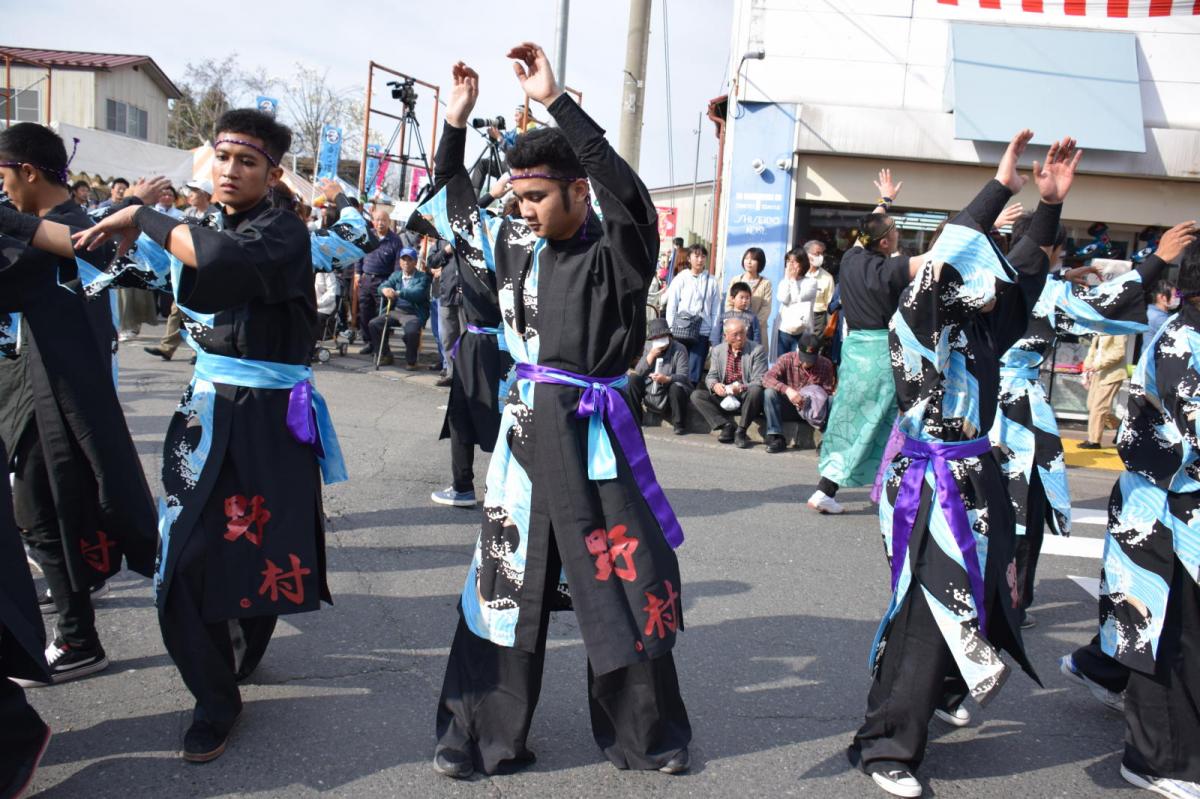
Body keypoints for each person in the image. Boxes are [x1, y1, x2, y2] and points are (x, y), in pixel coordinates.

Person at [430, 50, 690, 780]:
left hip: (595, 437)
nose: (523, 210)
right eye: (516, 199)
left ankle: (648, 734)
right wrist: (452, 124)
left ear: (577, 190)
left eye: (537, 197)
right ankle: (477, 731)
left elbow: (630, 197)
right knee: (504, 580)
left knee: (628, 582)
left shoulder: (617, 253)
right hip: (523, 439)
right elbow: (452, 201)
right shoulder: (511, 242)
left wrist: (557, 106)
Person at [75, 107, 347, 763]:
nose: (230, 171)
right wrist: (92, 230)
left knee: (266, 551)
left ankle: (241, 654)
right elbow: (105, 266)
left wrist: (142, 216)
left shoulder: (282, 231)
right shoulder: (199, 226)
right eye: (222, 158)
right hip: (204, 413)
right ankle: (215, 697)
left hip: (270, 421)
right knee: (183, 562)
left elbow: (217, 259)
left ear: (273, 173)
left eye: (247, 161)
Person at [849, 131, 1081, 799]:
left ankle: (941, 690)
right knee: (928, 610)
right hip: (929, 481)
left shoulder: (978, 330)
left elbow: (1025, 280)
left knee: (978, 599)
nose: (993, 281)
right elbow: (951, 255)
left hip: (973, 479)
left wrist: (1048, 206)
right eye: (980, 270)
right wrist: (999, 188)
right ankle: (885, 742)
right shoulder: (917, 321)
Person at [0, 123, 158, 687]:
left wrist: (134, 206)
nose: (3, 192)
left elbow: (50, 255)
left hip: (62, 400)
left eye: (2, 177)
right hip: (43, 395)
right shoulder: (74, 225)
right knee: (48, 514)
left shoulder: (73, 231)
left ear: (28, 172)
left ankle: (80, 636)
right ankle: (76, 626)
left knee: (75, 518)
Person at [990, 220, 1193, 629]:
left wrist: (1062, 275)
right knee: (1022, 511)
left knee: (976, 507)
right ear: (1048, 251)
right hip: (1015, 416)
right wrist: (1157, 259)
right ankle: (1008, 603)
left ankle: (973, 596)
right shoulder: (1049, 294)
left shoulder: (988, 277)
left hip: (968, 410)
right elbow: (1105, 306)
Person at [1096, 236, 1200, 796]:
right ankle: (1154, 759)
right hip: (1161, 511)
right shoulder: (1183, 341)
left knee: (1182, 638)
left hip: (1179, 507)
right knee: (1166, 639)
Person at [408, 122, 515, 509]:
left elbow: (447, 189)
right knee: (516, 418)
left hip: (478, 340)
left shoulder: (475, 234)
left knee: (463, 416)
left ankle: (464, 485)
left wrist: (455, 120)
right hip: (518, 347)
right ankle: (510, 492)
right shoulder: (532, 241)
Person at [809, 169, 913, 515]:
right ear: (884, 243)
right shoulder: (891, 270)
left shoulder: (852, 260)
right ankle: (893, 491)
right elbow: (934, 259)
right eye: (894, 231)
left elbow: (864, 235)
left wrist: (885, 201)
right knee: (889, 422)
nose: (897, 234)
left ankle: (827, 488)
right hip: (884, 354)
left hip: (855, 352)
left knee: (850, 419)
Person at [145, 180, 221, 361]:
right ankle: (167, 348)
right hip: (186, 270)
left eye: (194, 191)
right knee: (176, 310)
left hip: (207, 271)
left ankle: (199, 351)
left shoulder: (217, 215)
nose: (190, 195)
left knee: (200, 313)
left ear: (205, 194)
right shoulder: (188, 213)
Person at [689, 317, 766, 448]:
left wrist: (740, 388)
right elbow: (711, 376)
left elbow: (760, 380)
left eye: (742, 333)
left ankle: (741, 430)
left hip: (745, 396)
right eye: (735, 334)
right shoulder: (718, 350)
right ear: (725, 336)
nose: (740, 337)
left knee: (756, 390)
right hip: (724, 396)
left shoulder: (756, 350)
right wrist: (715, 385)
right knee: (696, 395)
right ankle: (726, 425)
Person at [762, 331, 836, 453]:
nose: (807, 363)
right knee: (769, 393)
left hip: (813, 411)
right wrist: (788, 390)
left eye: (811, 359)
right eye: (804, 358)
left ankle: (827, 440)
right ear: (798, 350)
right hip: (789, 407)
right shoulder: (786, 359)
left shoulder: (825, 364)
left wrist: (812, 398)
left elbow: (827, 390)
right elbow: (766, 378)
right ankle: (775, 437)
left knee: (833, 400)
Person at [664, 243, 720, 384]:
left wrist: (714, 337)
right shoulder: (681, 278)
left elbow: (716, 311)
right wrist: (669, 330)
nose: (700, 259)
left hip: (702, 332)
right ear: (689, 258)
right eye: (696, 256)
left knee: (694, 373)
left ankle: (688, 401)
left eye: (703, 256)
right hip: (680, 330)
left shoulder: (712, 281)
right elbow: (672, 305)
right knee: (676, 369)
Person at [628, 317, 692, 435]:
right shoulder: (648, 347)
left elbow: (683, 376)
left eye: (661, 336)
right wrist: (650, 356)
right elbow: (638, 372)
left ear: (669, 336)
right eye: (655, 338)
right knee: (632, 379)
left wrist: (667, 379)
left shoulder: (680, 349)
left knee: (676, 387)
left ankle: (679, 424)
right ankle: (636, 420)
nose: (658, 340)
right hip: (650, 388)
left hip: (668, 390)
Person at [369, 247, 430, 368]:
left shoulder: (422, 277)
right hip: (395, 311)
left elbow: (417, 293)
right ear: (400, 262)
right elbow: (382, 286)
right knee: (374, 324)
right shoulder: (396, 275)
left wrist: (399, 293)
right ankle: (385, 354)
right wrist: (385, 290)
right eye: (404, 259)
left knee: (411, 331)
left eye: (410, 260)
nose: (406, 262)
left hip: (413, 313)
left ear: (415, 261)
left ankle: (411, 361)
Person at [356, 206, 404, 355]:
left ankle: (381, 346)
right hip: (366, 279)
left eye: (383, 220)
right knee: (364, 313)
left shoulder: (395, 240)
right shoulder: (367, 235)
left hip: (384, 281)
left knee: (380, 315)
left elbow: (398, 265)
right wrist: (358, 273)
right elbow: (358, 254)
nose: (380, 223)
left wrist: (391, 283)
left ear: (389, 222)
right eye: (377, 220)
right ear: (373, 221)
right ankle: (369, 342)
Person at [776, 245, 834, 355]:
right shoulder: (784, 281)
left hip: (802, 331)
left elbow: (798, 298)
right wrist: (788, 279)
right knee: (782, 362)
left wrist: (792, 279)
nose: (790, 265)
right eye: (788, 261)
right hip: (784, 329)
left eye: (794, 261)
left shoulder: (811, 282)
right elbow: (783, 298)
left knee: (799, 364)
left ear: (802, 263)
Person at [1080, 332, 1128, 449]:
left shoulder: (1118, 329)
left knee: (1098, 408)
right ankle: (1123, 427)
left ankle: (1094, 441)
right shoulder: (1100, 327)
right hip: (1098, 374)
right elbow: (1093, 350)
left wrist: (1097, 365)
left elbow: (1119, 353)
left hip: (1112, 374)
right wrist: (1087, 366)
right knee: (1092, 406)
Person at [426, 239, 463, 387]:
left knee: (466, 338)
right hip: (446, 294)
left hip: (466, 297)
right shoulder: (441, 240)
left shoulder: (469, 235)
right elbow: (431, 262)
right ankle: (451, 373)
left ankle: (466, 376)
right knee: (447, 337)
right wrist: (446, 251)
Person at [725, 246, 773, 338]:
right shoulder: (736, 280)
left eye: (753, 259)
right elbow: (729, 303)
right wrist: (735, 323)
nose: (749, 262)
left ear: (760, 262)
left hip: (756, 331)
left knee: (755, 351)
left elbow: (766, 308)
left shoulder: (765, 283)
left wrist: (752, 324)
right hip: (735, 330)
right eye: (746, 258)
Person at [710, 281, 761, 345]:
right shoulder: (724, 317)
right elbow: (717, 335)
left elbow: (757, 336)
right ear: (732, 299)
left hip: (746, 352)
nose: (744, 301)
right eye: (741, 297)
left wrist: (755, 350)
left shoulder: (752, 317)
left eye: (747, 298)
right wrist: (716, 348)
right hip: (726, 351)